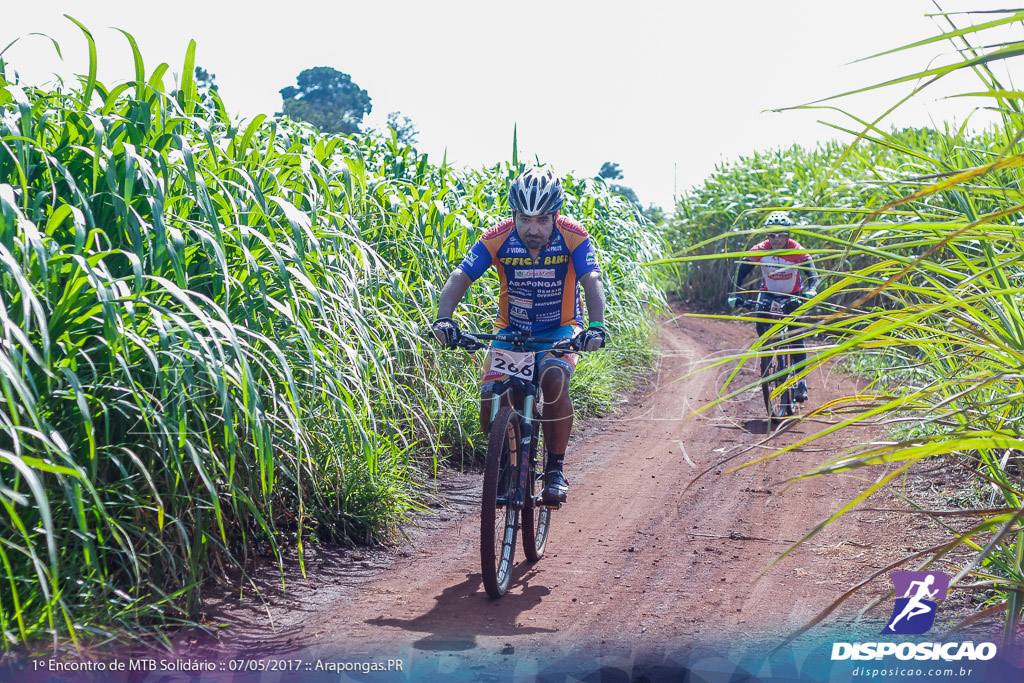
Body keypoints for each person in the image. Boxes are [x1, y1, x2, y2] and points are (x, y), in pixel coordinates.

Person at [431, 167, 607, 504]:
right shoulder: (497, 236)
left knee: (554, 380)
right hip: (511, 329)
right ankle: (503, 458)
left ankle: (554, 470)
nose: (532, 229)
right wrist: (444, 320)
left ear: (555, 215)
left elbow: (592, 279)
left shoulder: (574, 235)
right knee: (492, 395)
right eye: (524, 219)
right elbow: (461, 275)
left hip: (561, 327)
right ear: (513, 215)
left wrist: (596, 327)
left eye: (542, 219)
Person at [727, 211, 819, 403]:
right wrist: (735, 294)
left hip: (792, 294)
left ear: (788, 235)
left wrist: (812, 290)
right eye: (772, 235)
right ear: (767, 236)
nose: (776, 240)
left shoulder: (796, 250)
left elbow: (813, 275)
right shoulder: (760, 249)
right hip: (768, 293)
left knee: (795, 335)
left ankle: (801, 381)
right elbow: (740, 273)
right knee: (761, 327)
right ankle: (768, 355)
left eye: (781, 235)